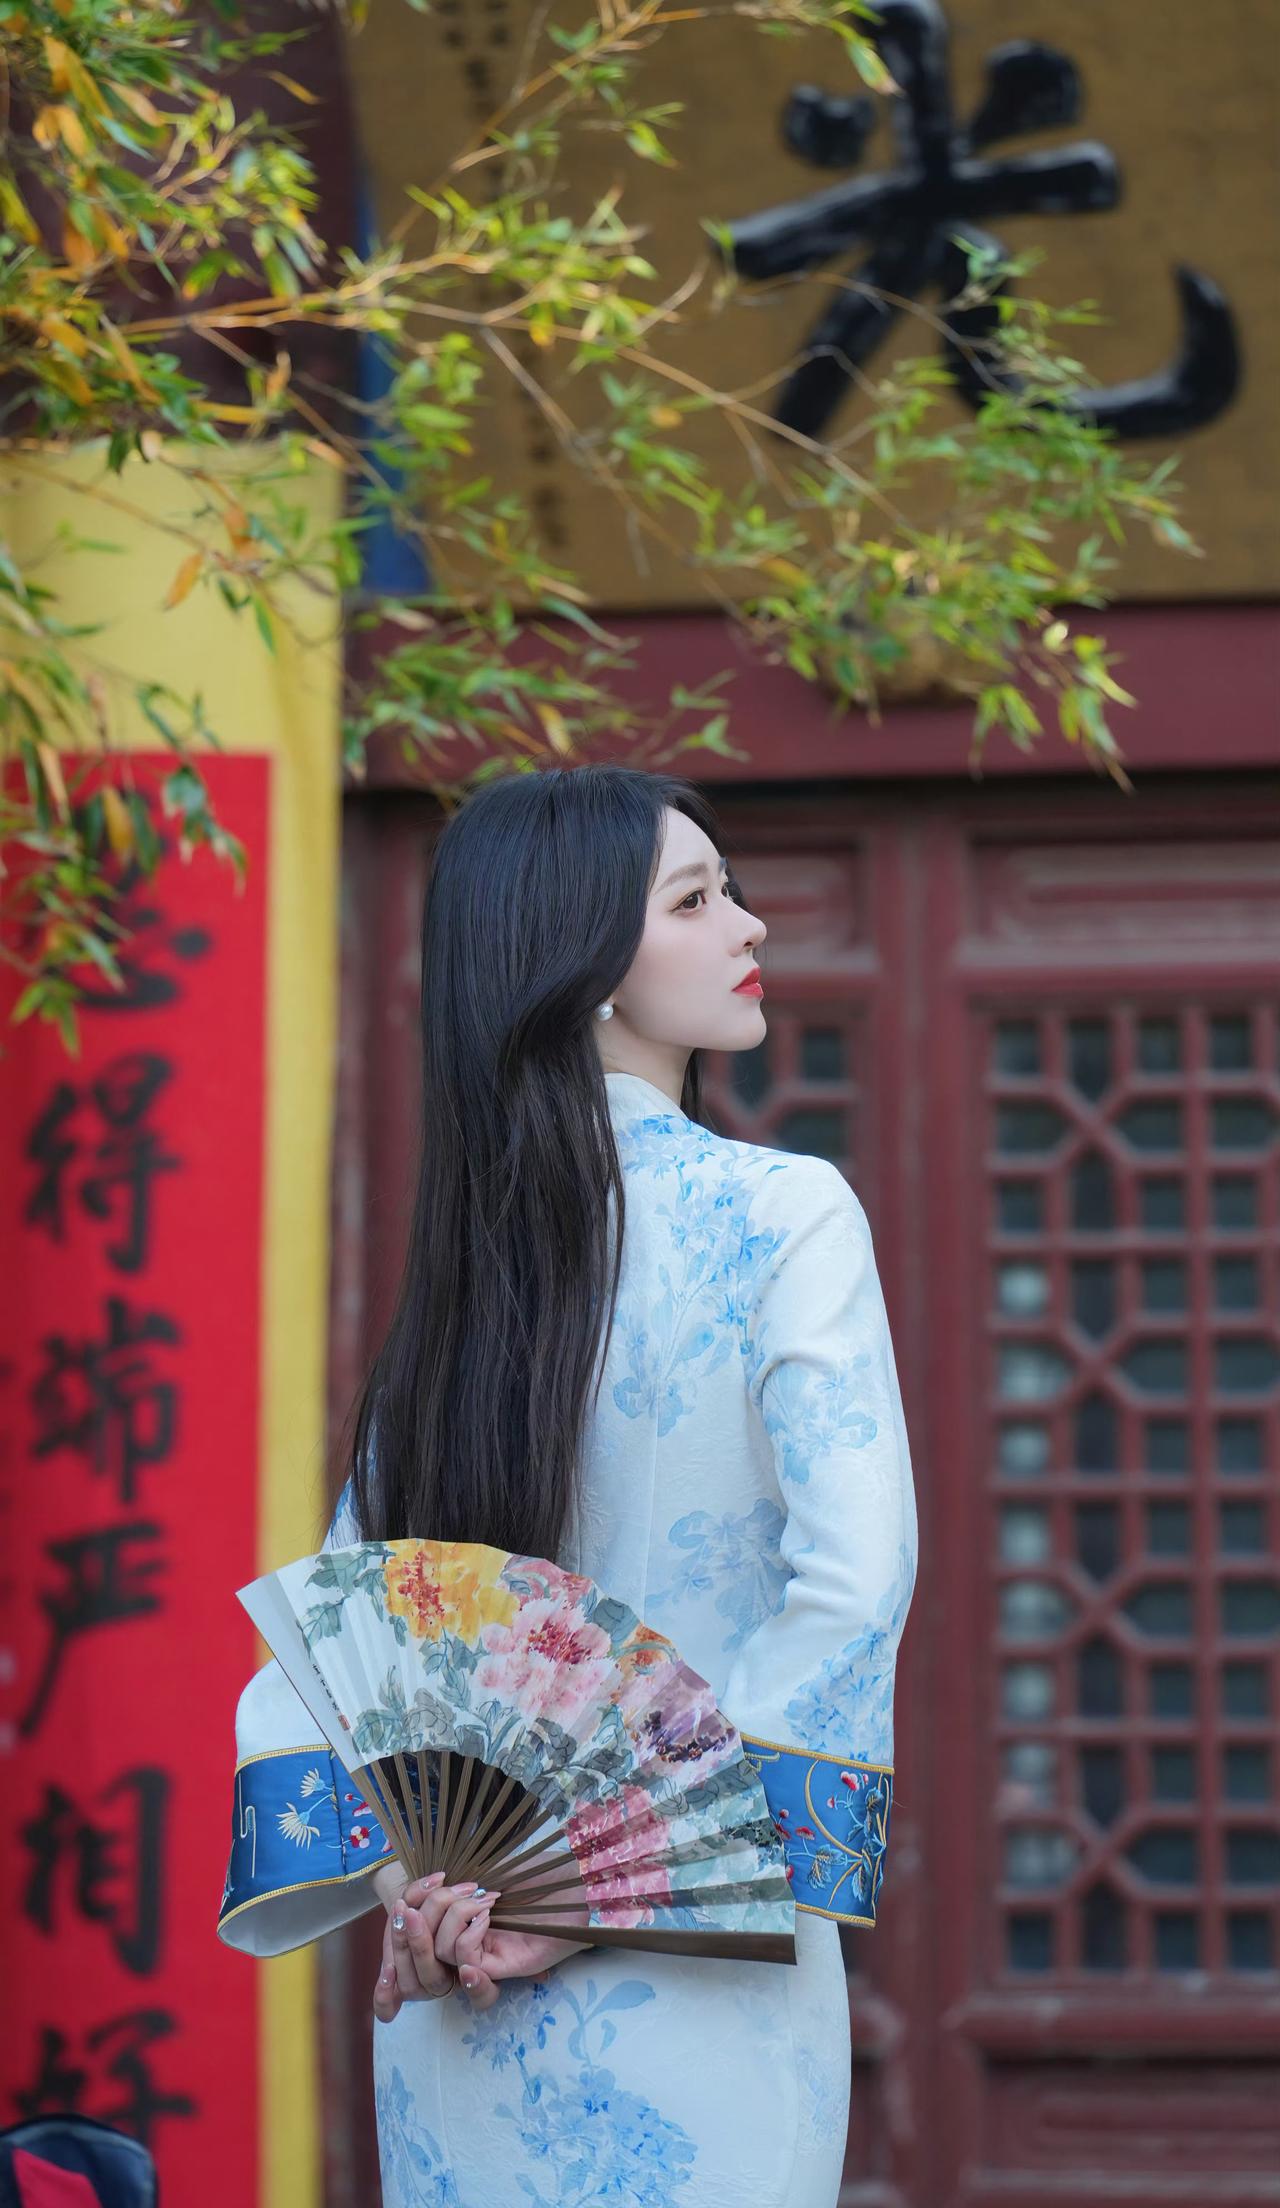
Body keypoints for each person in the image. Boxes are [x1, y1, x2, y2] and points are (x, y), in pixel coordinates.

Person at [217, 764, 919, 2208]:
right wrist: (630, 1877)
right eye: (695, 899)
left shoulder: (463, 1281)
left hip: (460, 1981)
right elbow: (855, 1582)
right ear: (581, 963)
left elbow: (336, 1643)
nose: (750, 924)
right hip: (705, 1970)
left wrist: (428, 1890)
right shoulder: (784, 1214)